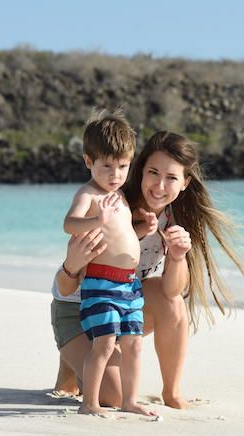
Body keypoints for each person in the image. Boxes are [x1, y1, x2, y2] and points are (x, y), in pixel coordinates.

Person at [51, 130, 244, 409]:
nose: (159, 185)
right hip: (78, 308)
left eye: (171, 177)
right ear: (140, 171)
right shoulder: (113, 205)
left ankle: (172, 393)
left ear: (185, 183)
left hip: (123, 301)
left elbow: (172, 292)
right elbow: (65, 288)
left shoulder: (174, 219)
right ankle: (73, 357)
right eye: (153, 172)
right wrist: (72, 264)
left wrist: (178, 256)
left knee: (172, 302)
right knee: (114, 397)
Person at [63, 110, 155, 417]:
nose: (115, 175)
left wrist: (146, 229)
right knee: (103, 344)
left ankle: (130, 401)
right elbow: (69, 224)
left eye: (123, 167)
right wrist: (94, 218)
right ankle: (89, 403)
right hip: (100, 284)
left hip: (130, 285)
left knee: (134, 345)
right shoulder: (89, 194)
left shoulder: (120, 197)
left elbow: (125, 236)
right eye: (107, 166)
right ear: (89, 161)